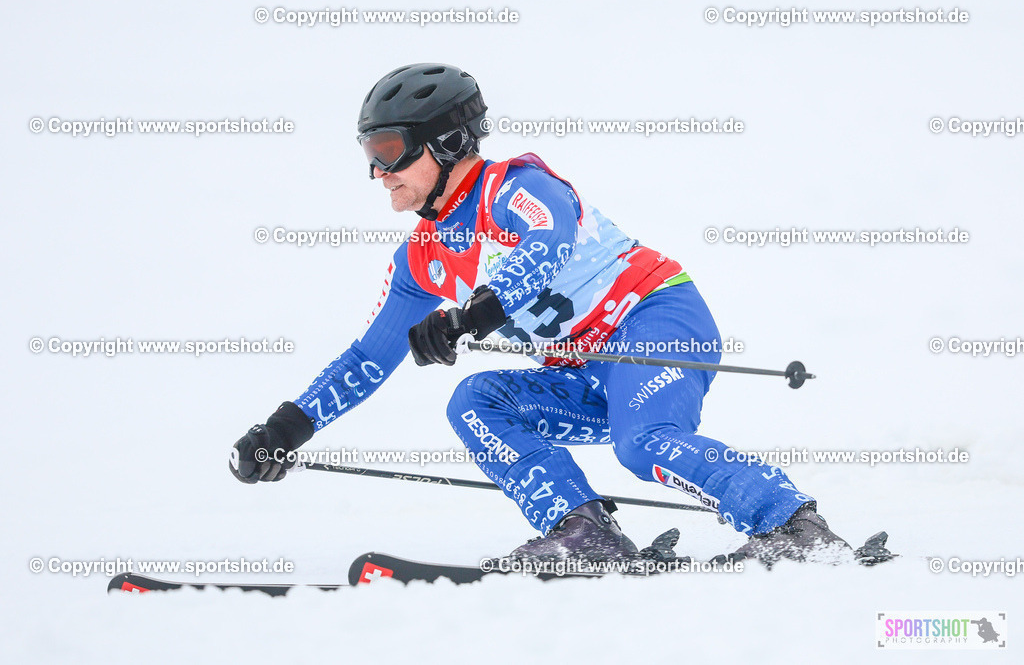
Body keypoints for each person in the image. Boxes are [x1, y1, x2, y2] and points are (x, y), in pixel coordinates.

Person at [229, 63, 852, 567]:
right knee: (476, 401)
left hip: (655, 318)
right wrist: (287, 429)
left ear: (445, 145)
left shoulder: (515, 186)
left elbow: (545, 245)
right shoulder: (422, 255)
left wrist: (472, 316)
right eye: (369, 152)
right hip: (586, 368)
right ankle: (583, 531)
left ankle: (794, 525)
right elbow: (369, 357)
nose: (376, 171)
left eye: (390, 150)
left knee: (643, 445)